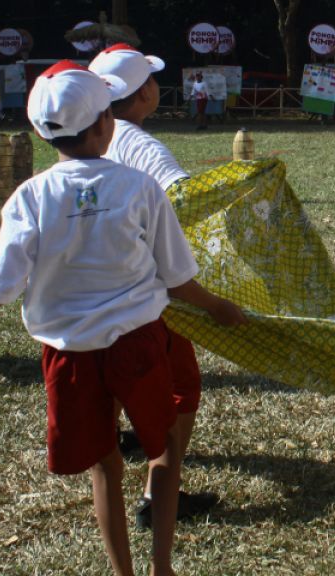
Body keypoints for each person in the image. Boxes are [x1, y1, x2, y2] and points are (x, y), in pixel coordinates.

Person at [0, 62, 248, 576]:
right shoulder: (140, 188)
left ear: (39, 131)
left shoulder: (29, 197)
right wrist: (218, 307)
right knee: (164, 448)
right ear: (107, 125)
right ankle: (161, 567)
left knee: (104, 463)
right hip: (139, 343)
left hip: (67, 356)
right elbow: (176, 278)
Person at [89, 44, 218, 529]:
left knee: (119, 372)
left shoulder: (95, 136)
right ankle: (158, 494)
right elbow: (186, 200)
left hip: (103, 288)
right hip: (150, 289)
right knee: (182, 388)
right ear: (144, 92)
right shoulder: (143, 145)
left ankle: (123, 437)